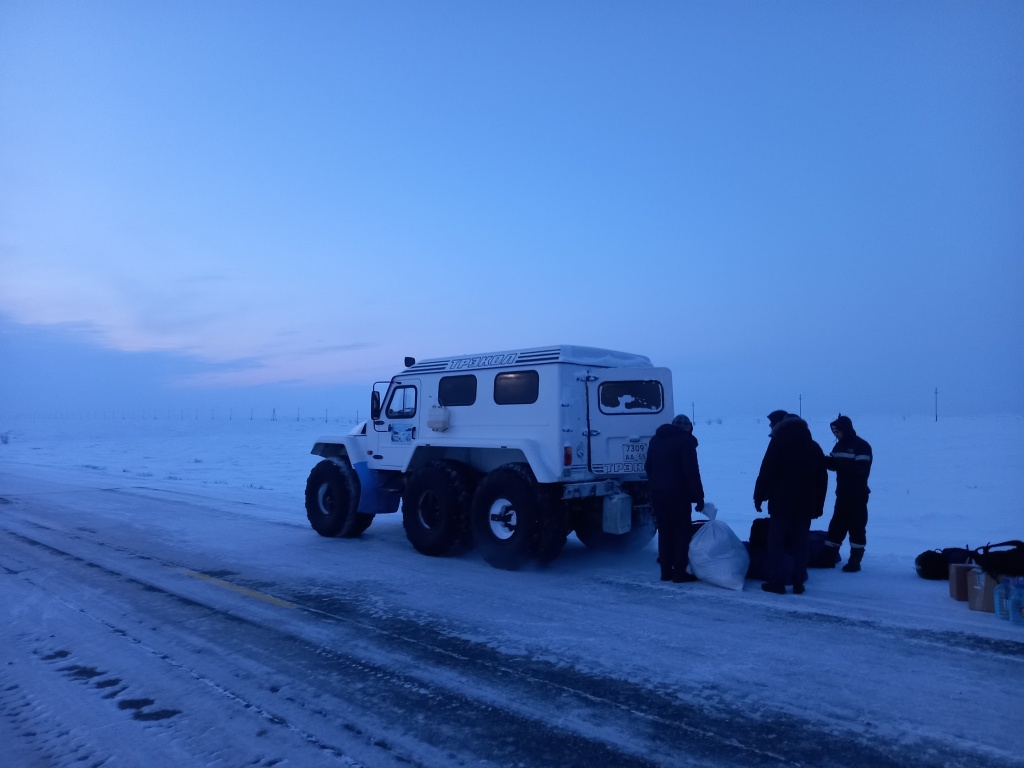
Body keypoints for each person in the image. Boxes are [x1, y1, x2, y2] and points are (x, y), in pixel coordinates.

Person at [753, 410, 828, 594]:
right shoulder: (813, 446)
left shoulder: (777, 444)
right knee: (800, 541)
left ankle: (777, 582)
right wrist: (818, 505)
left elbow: (766, 471)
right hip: (806, 504)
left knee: (776, 542)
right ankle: (798, 582)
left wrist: (759, 496)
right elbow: (822, 479)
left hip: (781, 503)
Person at [644, 414, 705, 583]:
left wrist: (655, 485)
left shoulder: (655, 440)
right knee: (681, 533)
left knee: (665, 532)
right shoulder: (685, 442)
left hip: (658, 494)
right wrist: (698, 498)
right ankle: (679, 573)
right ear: (688, 429)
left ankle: (665, 572)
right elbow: (691, 472)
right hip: (678, 495)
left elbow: (647, 466)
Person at [823, 414, 873, 572]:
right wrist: (821, 460)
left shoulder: (862, 446)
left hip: (858, 495)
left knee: (857, 527)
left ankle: (855, 560)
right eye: (834, 433)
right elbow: (834, 464)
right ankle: (829, 557)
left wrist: (841, 465)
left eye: (838, 432)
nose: (836, 436)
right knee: (836, 526)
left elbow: (861, 468)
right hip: (842, 495)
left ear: (845, 430)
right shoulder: (839, 446)